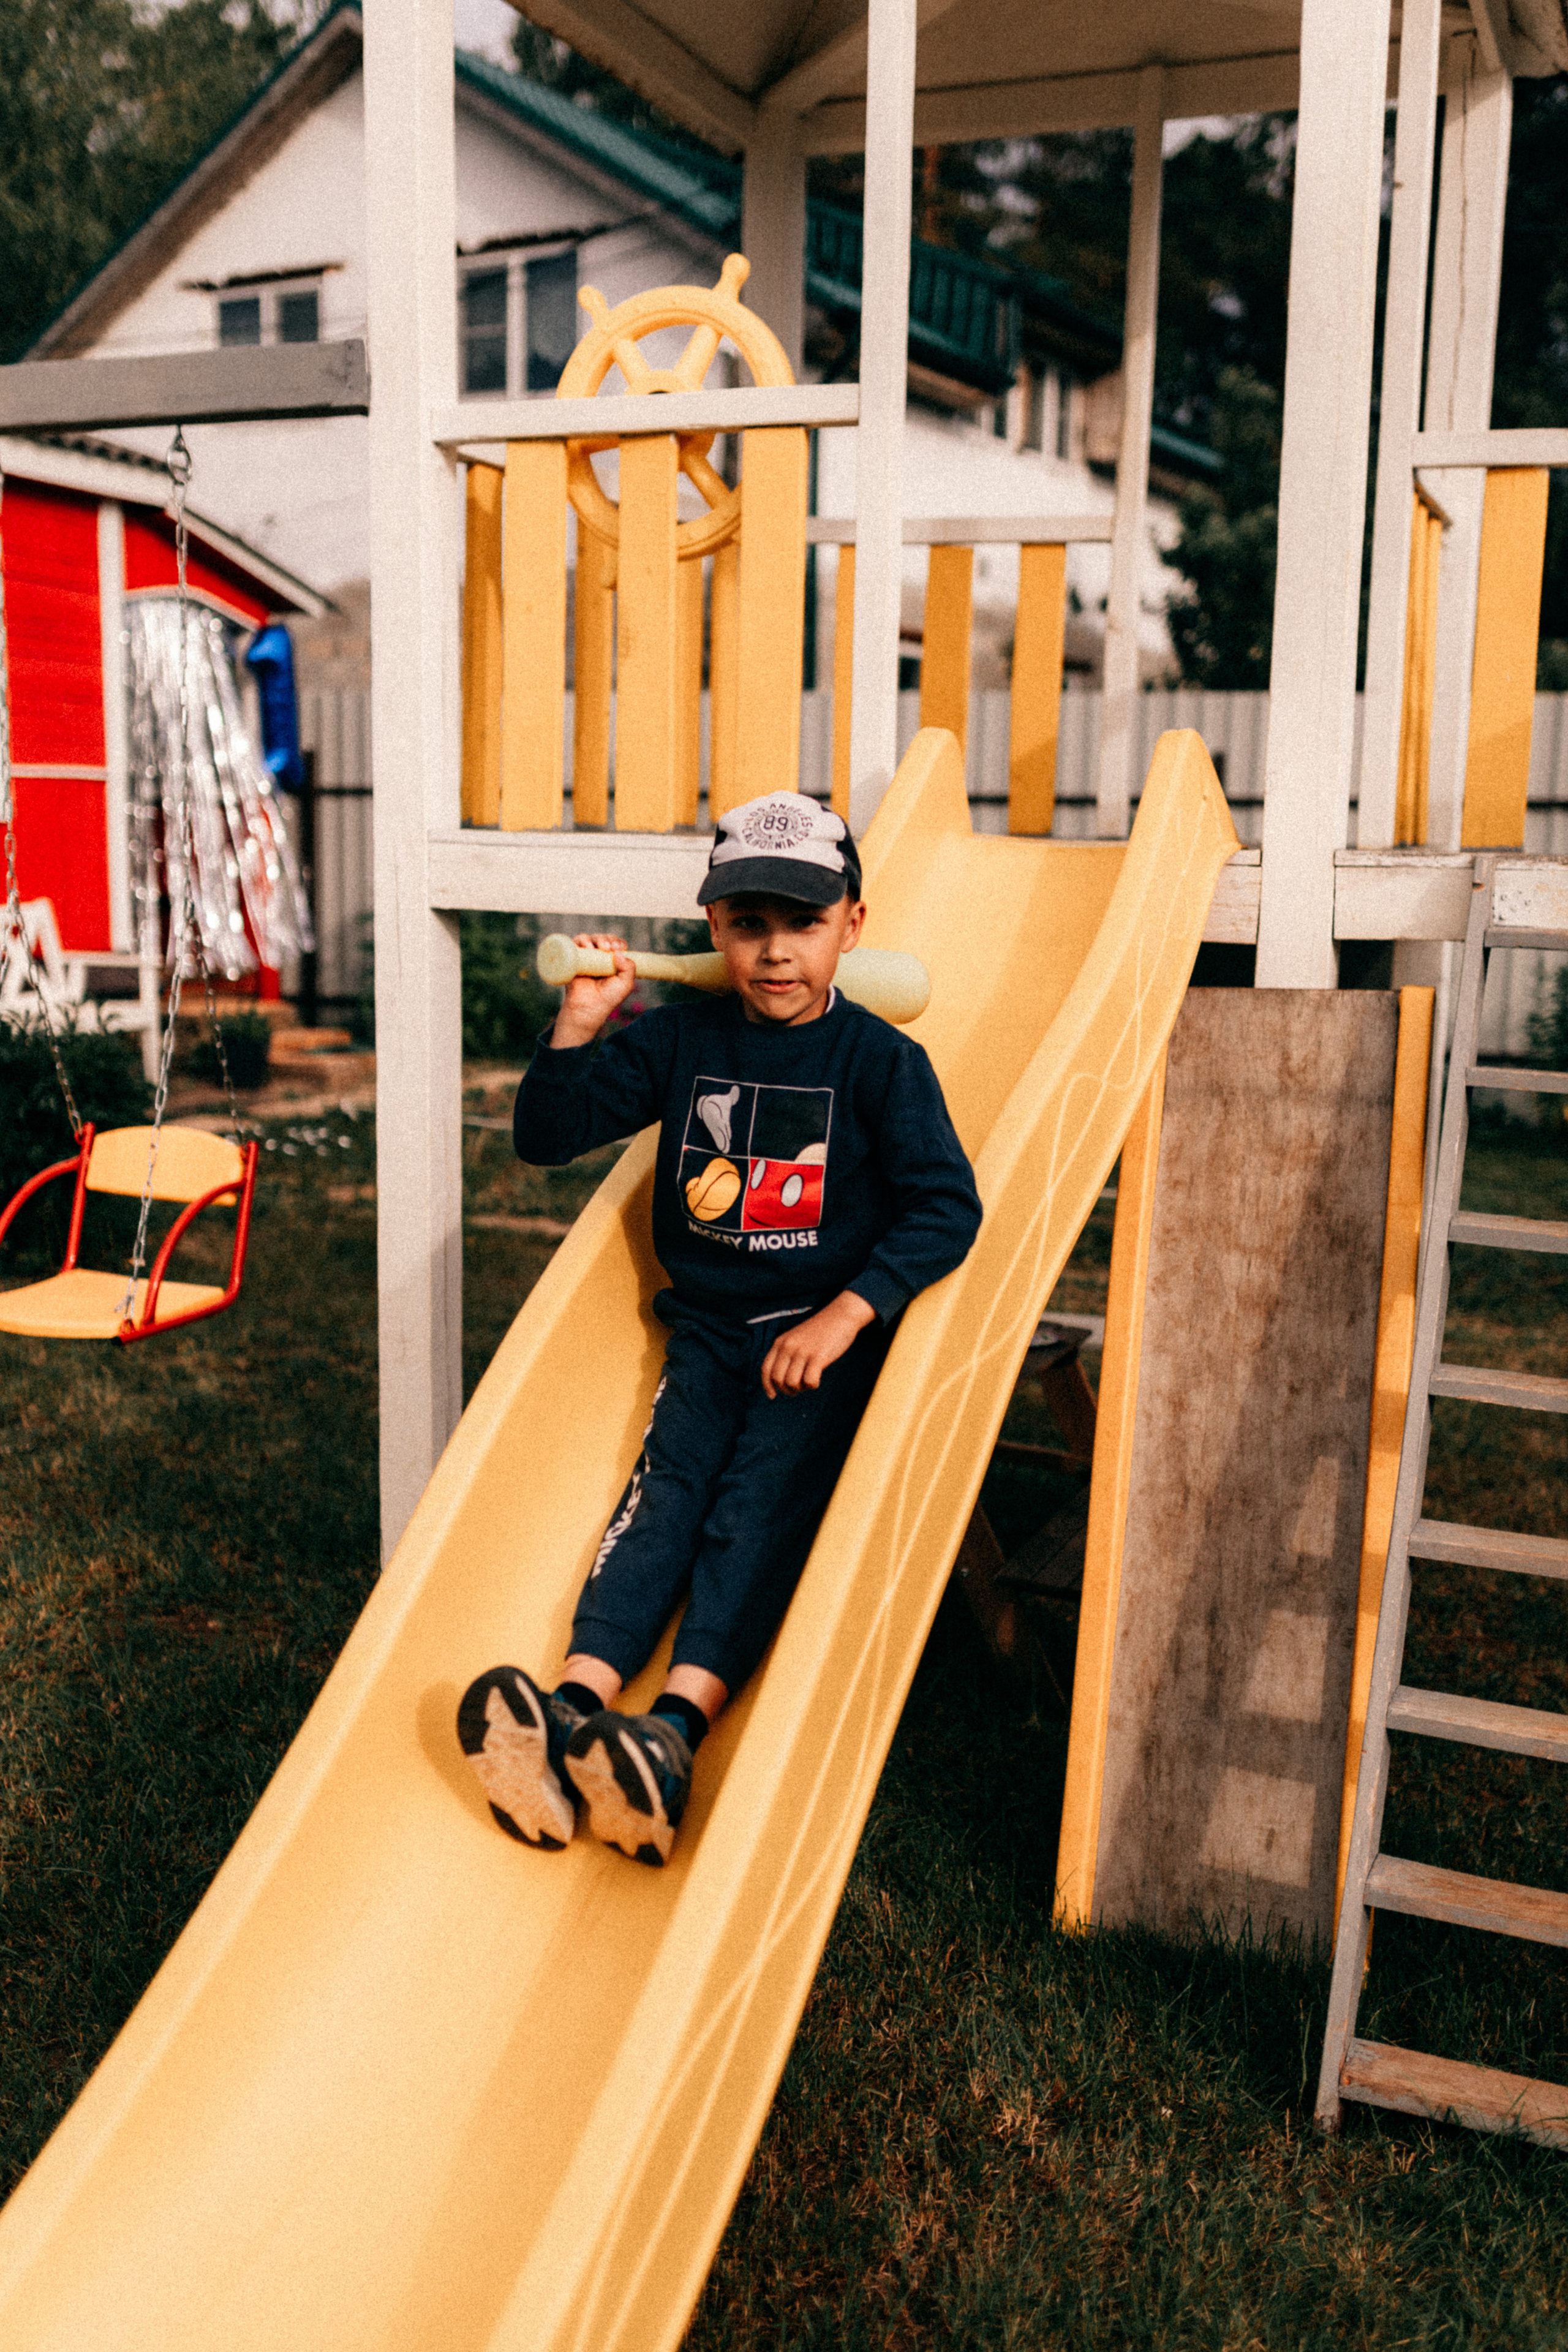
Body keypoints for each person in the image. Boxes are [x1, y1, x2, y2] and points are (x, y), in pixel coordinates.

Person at [457, 790, 981, 1867]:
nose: (775, 952)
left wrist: (848, 1313)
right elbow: (547, 1137)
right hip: (706, 1331)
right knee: (661, 1502)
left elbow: (946, 1206)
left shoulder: (880, 1065)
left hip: (813, 1345)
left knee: (754, 1511)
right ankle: (571, 1710)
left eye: (801, 924)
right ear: (714, 931)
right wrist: (580, 1027)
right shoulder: (682, 1038)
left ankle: (672, 1733)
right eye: (749, 925)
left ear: (852, 927)